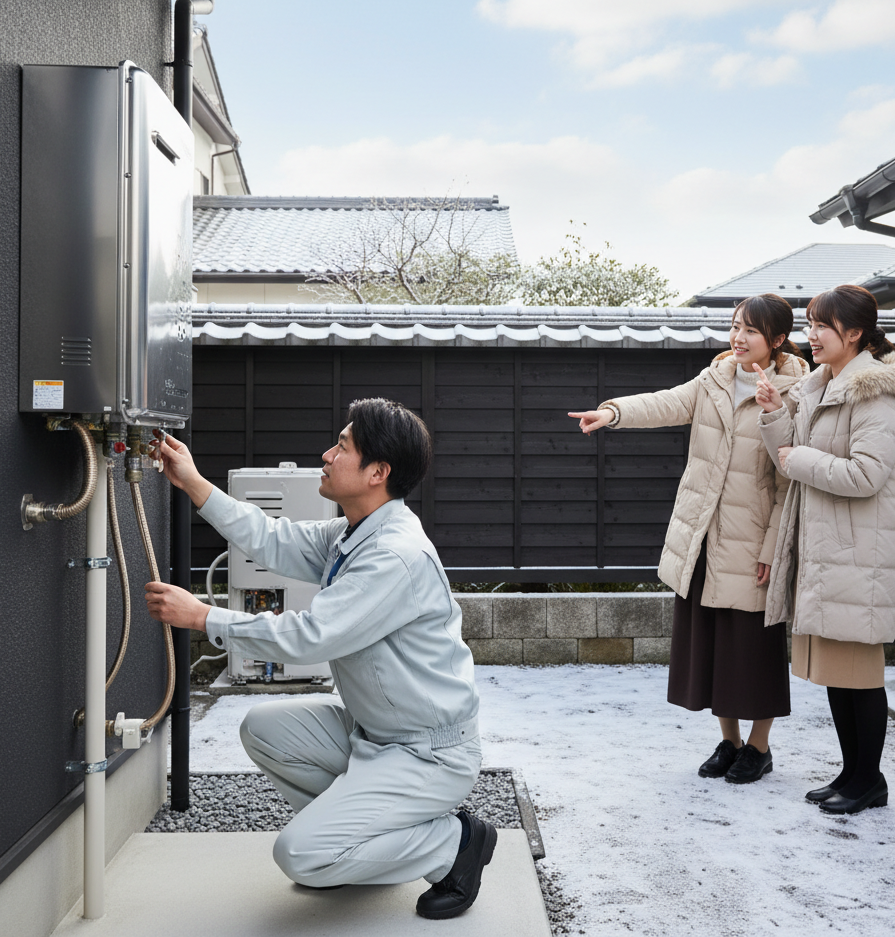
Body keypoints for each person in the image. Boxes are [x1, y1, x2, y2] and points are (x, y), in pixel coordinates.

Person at [143, 397, 495, 920]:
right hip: (373, 734)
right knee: (262, 728)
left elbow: (308, 638)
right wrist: (192, 481)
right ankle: (350, 856)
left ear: (378, 472)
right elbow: (273, 539)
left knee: (299, 854)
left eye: (342, 447)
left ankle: (455, 843)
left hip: (427, 754)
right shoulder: (353, 531)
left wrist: (203, 617)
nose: (326, 455)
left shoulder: (394, 555)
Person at [569, 294, 809, 783]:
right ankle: (730, 741)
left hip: (751, 542)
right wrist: (611, 413)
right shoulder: (714, 378)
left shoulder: (798, 394)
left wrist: (771, 550)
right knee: (714, 643)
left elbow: (790, 482)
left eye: (751, 331)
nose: (738, 337)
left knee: (755, 650)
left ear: (778, 341)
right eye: (735, 326)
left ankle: (758, 748)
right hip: (702, 536)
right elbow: (665, 403)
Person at [754, 284, 895, 815]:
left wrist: (797, 457)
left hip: (859, 557)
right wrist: (773, 411)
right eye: (809, 325)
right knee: (839, 677)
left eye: (821, 326)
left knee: (860, 678)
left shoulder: (874, 395)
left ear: (854, 334)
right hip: (836, 554)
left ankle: (869, 780)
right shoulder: (822, 385)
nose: (812, 336)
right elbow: (789, 452)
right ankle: (853, 773)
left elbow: (866, 475)